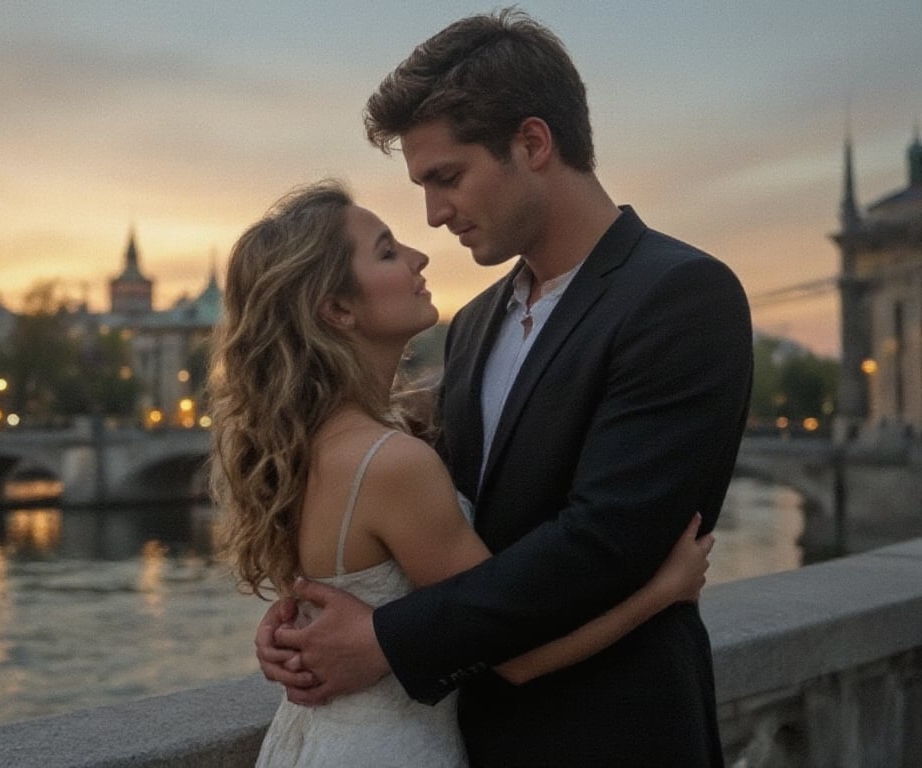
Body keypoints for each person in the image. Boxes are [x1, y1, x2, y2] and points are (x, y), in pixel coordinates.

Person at [255, 9, 753, 768]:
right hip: (465, 736)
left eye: (447, 178)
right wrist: (308, 617)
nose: (433, 213)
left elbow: (603, 544)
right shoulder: (476, 320)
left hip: (611, 736)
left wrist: (385, 639)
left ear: (532, 143)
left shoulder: (682, 294)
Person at [210, 181, 715, 767]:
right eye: (387, 251)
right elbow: (516, 656)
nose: (419, 255)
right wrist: (663, 591)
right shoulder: (392, 462)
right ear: (339, 309)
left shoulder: (310, 440)